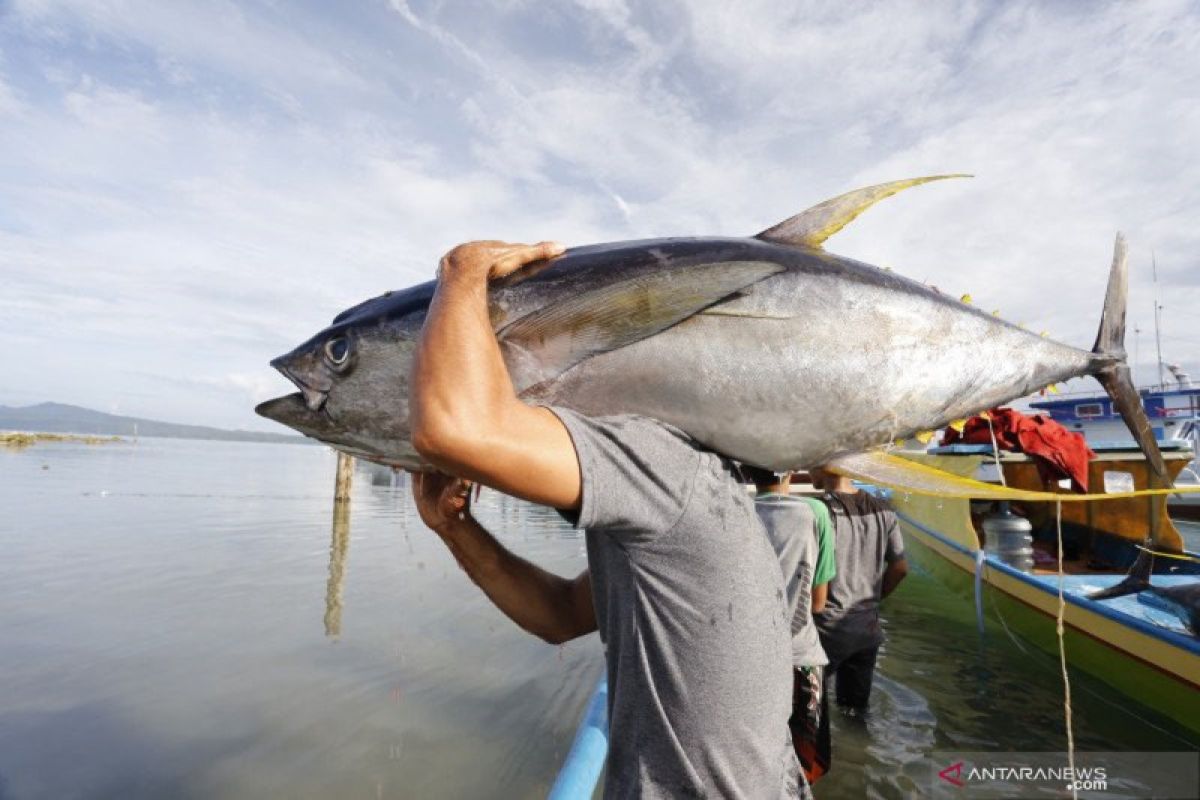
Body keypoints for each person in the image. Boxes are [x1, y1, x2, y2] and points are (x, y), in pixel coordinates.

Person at [408, 240, 804, 799]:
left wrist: (459, 274)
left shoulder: (667, 465)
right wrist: (456, 528)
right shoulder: (692, 492)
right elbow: (561, 614)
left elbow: (453, 428)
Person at [744, 466, 836, 785]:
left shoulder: (736, 512)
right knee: (803, 767)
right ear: (791, 470)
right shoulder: (815, 512)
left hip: (749, 661)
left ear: (744, 468)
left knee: (753, 763)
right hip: (801, 660)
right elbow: (819, 602)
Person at [809, 466, 908, 713]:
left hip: (826, 630)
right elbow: (900, 568)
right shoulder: (884, 509)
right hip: (867, 630)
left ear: (826, 467)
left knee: (808, 713)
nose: (809, 471)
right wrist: (872, 601)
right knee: (855, 713)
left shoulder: (817, 511)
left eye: (811, 463)